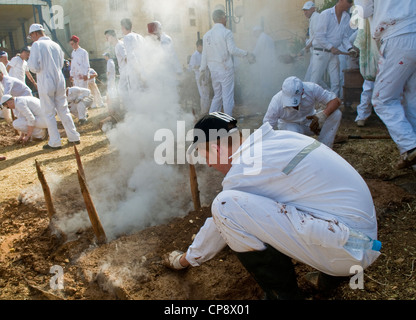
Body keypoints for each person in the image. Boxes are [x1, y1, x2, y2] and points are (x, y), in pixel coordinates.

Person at [165, 111, 380, 300]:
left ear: (216, 148)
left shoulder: (246, 168)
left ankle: (282, 295)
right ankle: (330, 278)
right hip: (361, 239)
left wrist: (184, 260)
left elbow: (218, 224)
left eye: (206, 156)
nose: (209, 164)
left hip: (349, 251)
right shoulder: (276, 140)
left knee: (224, 205)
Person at [355, 0, 416, 170]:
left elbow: (363, 12)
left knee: (383, 100)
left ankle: (410, 146)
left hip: (397, 35)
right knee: (411, 102)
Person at [27, 23, 80, 150]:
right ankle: (73, 137)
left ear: (35, 33)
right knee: (63, 109)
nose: (32, 38)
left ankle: (55, 142)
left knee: (49, 112)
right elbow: (61, 63)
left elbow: (34, 67)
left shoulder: (37, 45)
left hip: (46, 80)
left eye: (32, 35)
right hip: (59, 79)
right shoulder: (56, 45)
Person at [200, 9, 255, 116]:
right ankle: (227, 123)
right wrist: (246, 53)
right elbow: (233, 50)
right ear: (221, 18)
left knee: (218, 96)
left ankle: (211, 120)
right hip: (225, 69)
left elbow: (204, 54)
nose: (226, 19)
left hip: (214, 71)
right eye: (225, 17)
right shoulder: (226, 32)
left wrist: (202, 70)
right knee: (227, 97)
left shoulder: (206, 35)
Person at [263, 76, 342, 149]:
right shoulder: (276, 101)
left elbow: (336, 101)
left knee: (336, 114)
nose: (294, 106)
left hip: (310, 123)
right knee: (293, 134)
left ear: (303, 91)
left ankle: (324, 148)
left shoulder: (312, 89)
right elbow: (267, 126)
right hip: (289, 125)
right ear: (282, 91)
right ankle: (296, 152)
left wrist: (322, 116)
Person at [310, 0, 356, 98]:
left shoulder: (346, 17)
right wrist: (331, 47)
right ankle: (311, 105)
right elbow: (319, 35)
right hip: (320, 52)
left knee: (336, 82)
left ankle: (333, 102)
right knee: (315, 80)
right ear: (341, 0)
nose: (350, 4)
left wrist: (350, 49)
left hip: (334, 54)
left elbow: (344, 37)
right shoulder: (325, 14)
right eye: (349, 1)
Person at [105, 29, 128, 108]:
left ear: (111, 37)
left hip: (126, 72)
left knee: (122, 90)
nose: (106, 40)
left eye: (107, 37)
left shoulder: (119, 45)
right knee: (122, 90)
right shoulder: (117, 46)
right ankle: (127, 108)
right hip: (123, 72)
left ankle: (128, 108)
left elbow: (126, 58)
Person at [121, 18, 145, 93]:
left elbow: (130, 55)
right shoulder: (140, 37)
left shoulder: (127, 37)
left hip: (134, 69)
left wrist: (136, 70)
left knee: (135, 91)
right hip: (143, 67)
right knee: (144, 90)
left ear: (123, 27)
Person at [189, 39, 210, 114]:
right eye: (203, 46)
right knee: (203, 94)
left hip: (206, 76)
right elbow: (191, 67)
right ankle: (203, 111)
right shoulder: (194, 55)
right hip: (199, 77)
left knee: (207, 94)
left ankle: (207, 110)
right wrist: (200, 67)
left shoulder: (204, 54)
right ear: (199, 46)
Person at [302, 1, 321, 82]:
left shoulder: (316, 17)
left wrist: (307, 46)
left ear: (313, 9)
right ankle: (329, 92)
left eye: (307, 10)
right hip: (315, 52)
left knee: (310, 79)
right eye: (304, 10)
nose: (305, 12)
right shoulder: (312, 18)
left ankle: (330, 93)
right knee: (314, 79)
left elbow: (317, 35)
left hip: (318, 52)